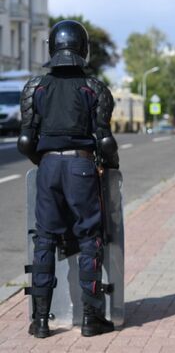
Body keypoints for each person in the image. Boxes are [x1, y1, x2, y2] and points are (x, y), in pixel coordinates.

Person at [17, 20, 119, 338]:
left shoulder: (36, 87)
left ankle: (41, 321)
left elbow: (24, 141)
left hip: (48, 167)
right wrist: (110, 166)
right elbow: (104, 140)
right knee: (90, 239)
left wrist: (45, 161)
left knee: (45, 240)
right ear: (83, 48)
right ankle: (91, 317)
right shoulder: (95, 89)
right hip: (82, 168)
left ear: (52, 48)